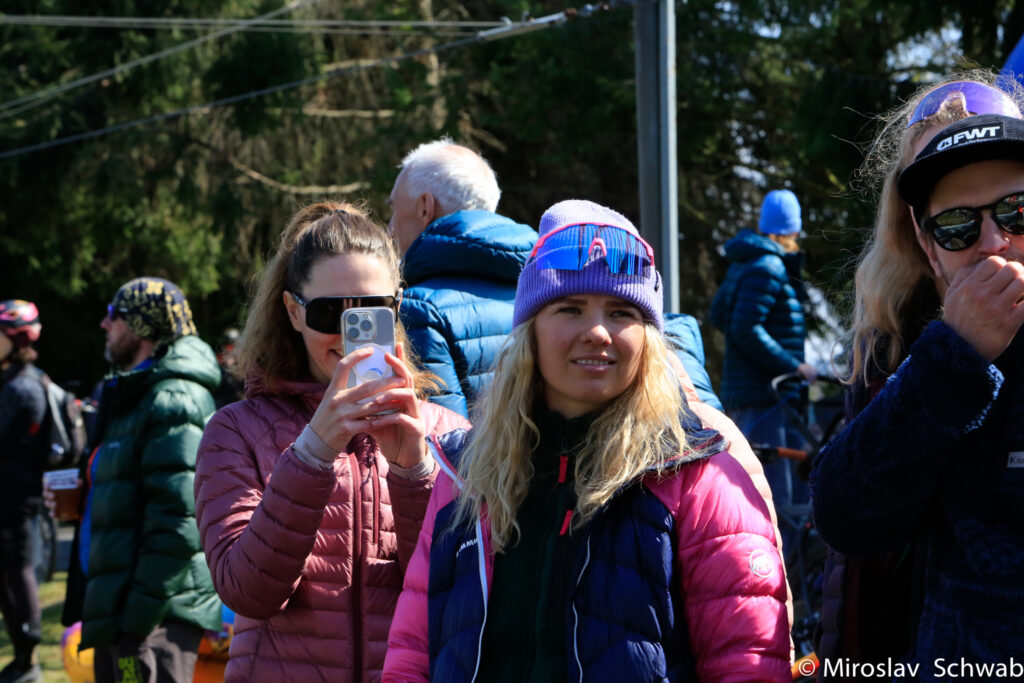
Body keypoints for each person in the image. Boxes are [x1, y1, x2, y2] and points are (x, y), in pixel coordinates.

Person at [384, 200, 790, 682]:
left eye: (621, 312)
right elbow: (412, 653)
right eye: (570, 308)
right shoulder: (466, 472)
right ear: (530, 331)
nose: (597, 331)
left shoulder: (697, 475)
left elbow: (746, 662)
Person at [194, 201, 469, 682]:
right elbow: (247, 592)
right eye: (329, 312)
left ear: (397, 306)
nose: (350, 333)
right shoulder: (236, 432)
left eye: (372, 311)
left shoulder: (446, 433)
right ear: (293, 312)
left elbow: (456, 598)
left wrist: (414, 473)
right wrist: (313, 452)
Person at [810, 74, 1024, 679]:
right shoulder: (900, 342)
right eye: (957, 224)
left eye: (1017, 211)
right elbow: (845, 517)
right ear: (925, 243)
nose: (994, 242)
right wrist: (956, 355)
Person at [390, 137, 723, 414]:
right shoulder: (554, 265)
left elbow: (440, 447)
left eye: (393, 209)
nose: (597, 333)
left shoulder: (420, 308)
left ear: (425, 207)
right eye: (570, 310)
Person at [54, 277, 222, 683]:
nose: (103, 324)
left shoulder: (173, 396)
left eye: (113, 315)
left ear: (140, 326)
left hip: (150, 622)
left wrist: (136, 620)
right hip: (124, 614)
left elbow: (178, 521)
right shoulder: (136, 391)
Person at [709, 189, 815, 529]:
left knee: (767, 496)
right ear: (794, 228)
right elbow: (745, 328)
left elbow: (720, 316)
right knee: (779, 503)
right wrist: (794, 366)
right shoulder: (768, 266)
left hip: (755, 399)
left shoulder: (746, 263)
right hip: (767, 398)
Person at [0, 300, 45, 683]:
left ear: (15, 339)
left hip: (16, 499)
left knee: (17, 573)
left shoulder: (23, 387)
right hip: (9, 496)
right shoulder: (11, 381)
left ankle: (27, 658)